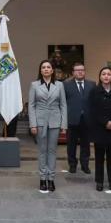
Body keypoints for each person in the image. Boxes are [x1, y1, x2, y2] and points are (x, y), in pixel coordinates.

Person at [28, 60, 68, 193]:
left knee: (52, 151)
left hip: (55, 122)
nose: (46, 69)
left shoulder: (60, 85)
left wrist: (64, 124)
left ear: (52, 71)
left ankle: (50, 179)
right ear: (40, 71)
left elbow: (63, 105)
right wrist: (32, 124)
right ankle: (42, 178)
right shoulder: (34, 85)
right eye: (43, 67)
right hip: (39, 122)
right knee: (42, 151)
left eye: (48, 67)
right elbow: (31, 105)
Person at [63, 62, 94, 174]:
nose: (80, 72)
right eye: (77, 70)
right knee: (71, 144)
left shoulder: (92, 84)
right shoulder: (66, 85)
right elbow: (63, 103)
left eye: (82, 70)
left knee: (86, 144)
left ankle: (85, 165)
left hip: (87, 119)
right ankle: (72, 164)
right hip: (72, 119)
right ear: (73, 72)